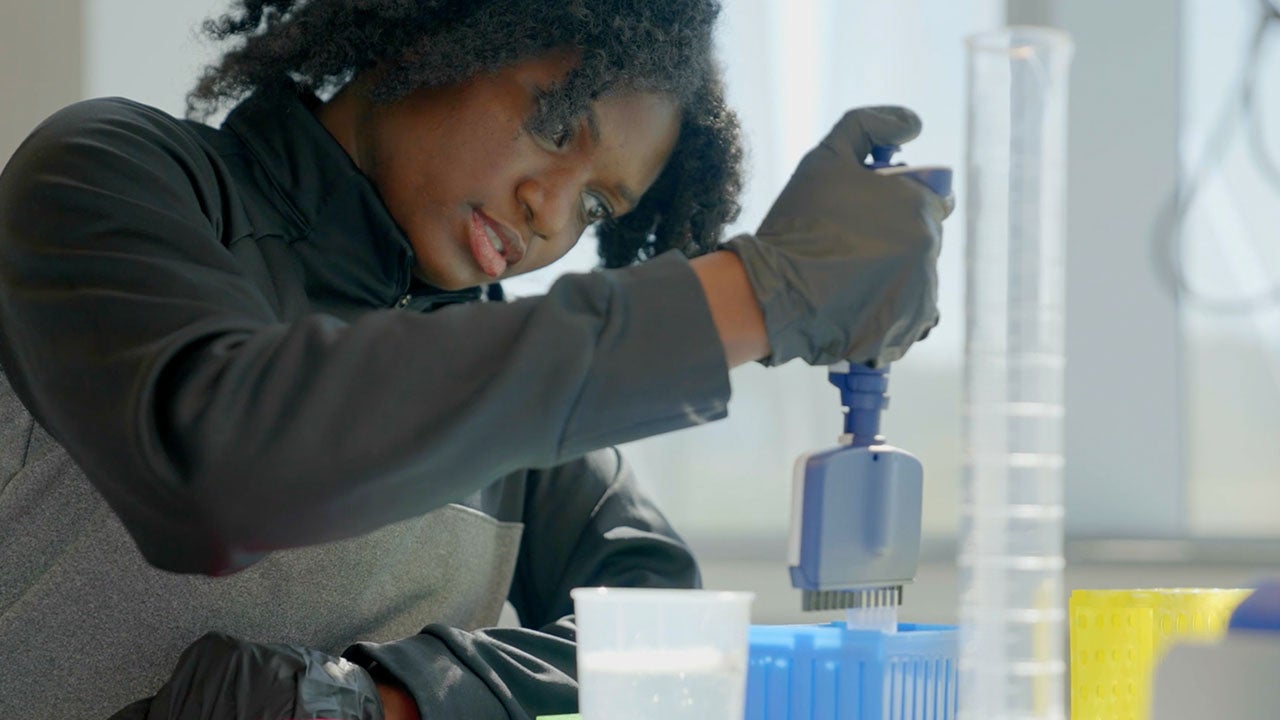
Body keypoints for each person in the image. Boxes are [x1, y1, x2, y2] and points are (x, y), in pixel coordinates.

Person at [0, 0, 950, 718]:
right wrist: (753, 295)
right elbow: (219, 468)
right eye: (553, 125)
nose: (550, 210)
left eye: (596, 210)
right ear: (432, 32)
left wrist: (390, 698)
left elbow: (668, 637)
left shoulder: (515, 391)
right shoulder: (112, 173)